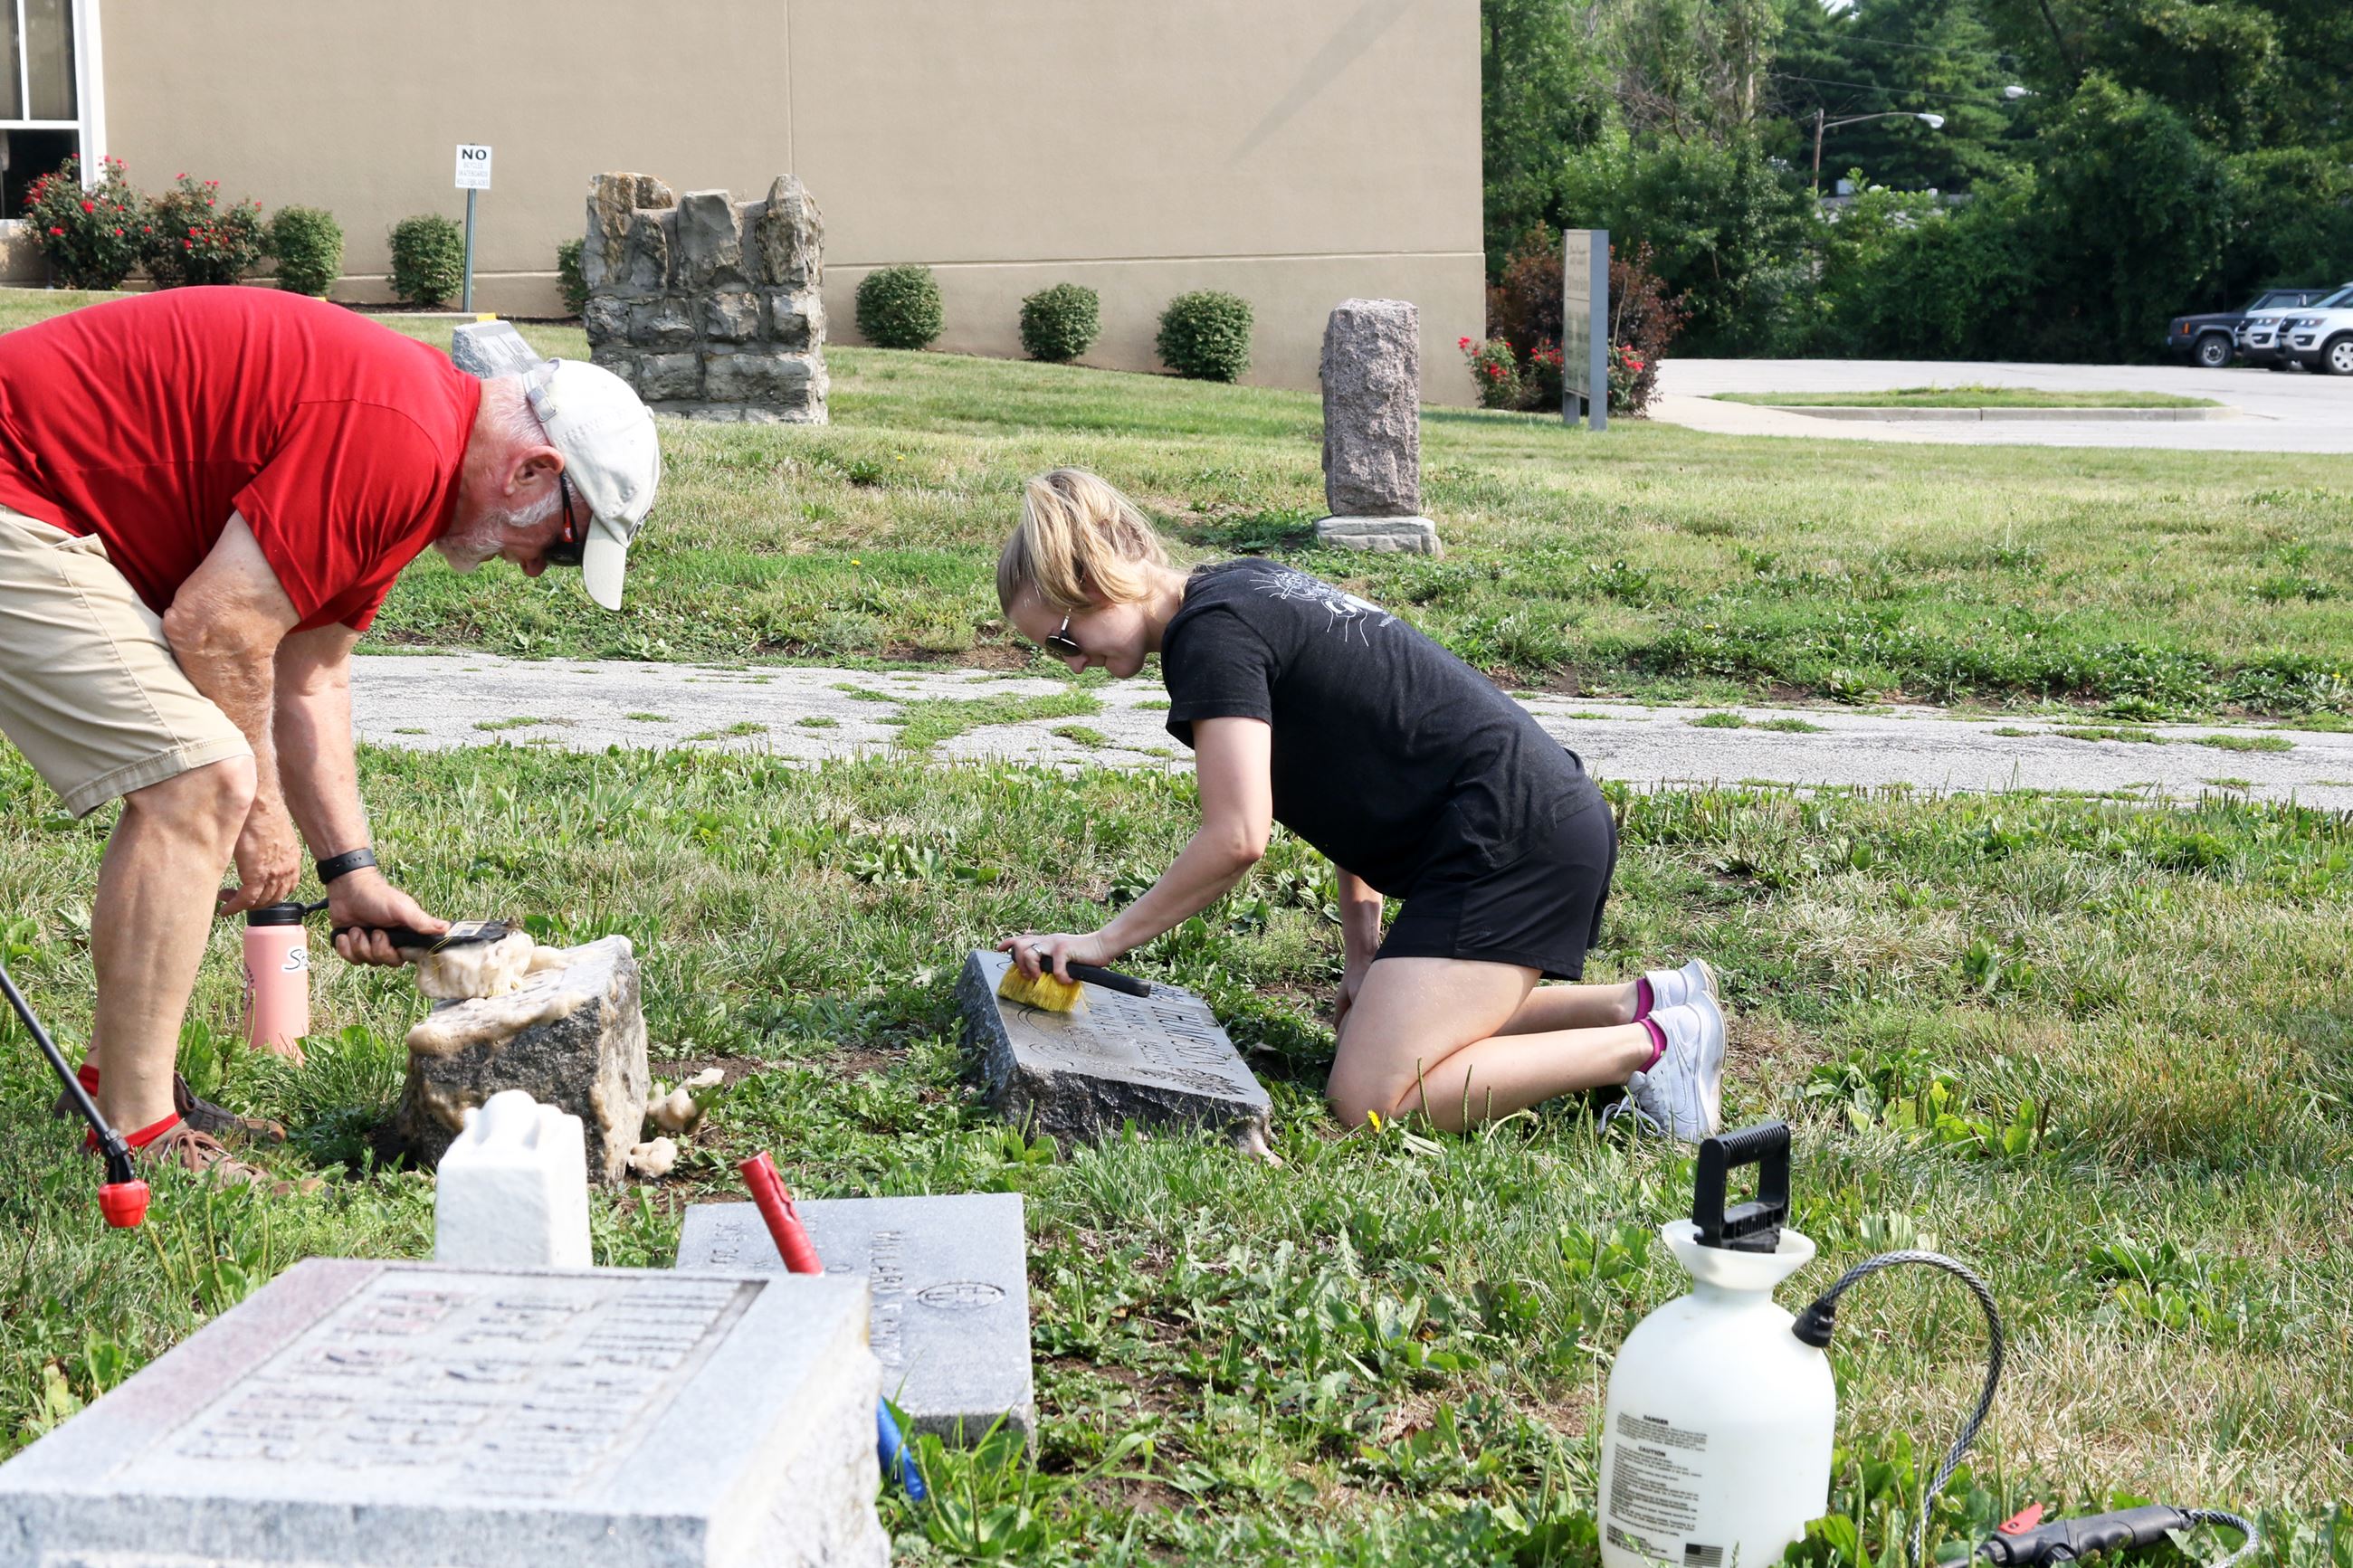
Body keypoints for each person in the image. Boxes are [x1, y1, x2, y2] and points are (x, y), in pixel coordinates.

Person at [0, 287, 661, 1185]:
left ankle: (124, 1087)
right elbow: (219, 628)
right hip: (16, 491)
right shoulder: (398, 440)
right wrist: (262, 822)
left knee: (207, 776)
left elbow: (308, 673)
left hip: (36, 495)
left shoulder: (422, 463)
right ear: (533, 472)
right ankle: (135, 1128)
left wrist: (350, 874)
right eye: (566, 544)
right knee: (200, 782)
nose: (540, 564)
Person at [992, 470, 1726, 1138]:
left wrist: (1103, 940)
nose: (1076, 664)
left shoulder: (1208, 640)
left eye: (1064, 640)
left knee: (1372, 1095)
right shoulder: (1241, 588)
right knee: (1371, 1036)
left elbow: (1237, 837)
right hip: (1515, 821)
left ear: (1098, 576)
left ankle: (1656, 1048)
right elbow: (1349, 764)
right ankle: (1642, 1002)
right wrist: (1361, 950)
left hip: (1511, 840)